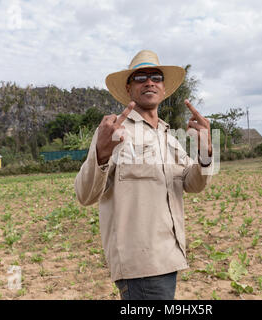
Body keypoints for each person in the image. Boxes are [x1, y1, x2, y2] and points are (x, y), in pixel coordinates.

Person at [74, 50, 214, 300]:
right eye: (141, 77)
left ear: (163, 88)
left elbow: (191, 184)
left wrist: (205, 153)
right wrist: (101, 155)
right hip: (140, 264)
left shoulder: (168, 136)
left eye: (156, 76)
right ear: (129, 88)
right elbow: (85, 195)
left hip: (170, 256)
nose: (149, 81)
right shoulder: (114, 131)